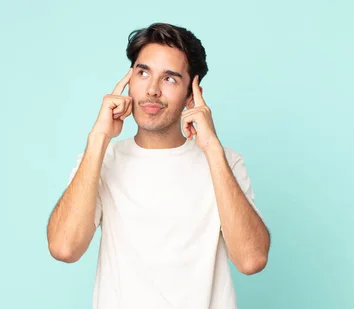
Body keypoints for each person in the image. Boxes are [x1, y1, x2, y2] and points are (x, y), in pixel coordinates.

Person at [46, 22, 271, 309]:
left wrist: (212, 148)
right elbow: (64, 248)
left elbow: (251, 260)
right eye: (143, 73)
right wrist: (98, 138)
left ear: (192, 93)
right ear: (129, 80)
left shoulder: (225, 163)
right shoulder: (101, 160)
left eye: (169, 79)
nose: (152, 90)